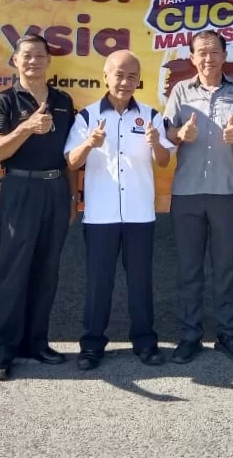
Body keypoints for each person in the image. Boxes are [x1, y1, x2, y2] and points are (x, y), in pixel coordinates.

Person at [65, 50, 175, 370]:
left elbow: (165, 160)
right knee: (99, 281)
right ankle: (91, 346)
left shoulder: (151, 115)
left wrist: (155, 142)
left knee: (141, 281)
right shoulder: (86, 117)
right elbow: (72, 161)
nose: (125, 82)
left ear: (139, 80)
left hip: (140, 214)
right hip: (101, 215)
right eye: (119, 75)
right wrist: (89, 143)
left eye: (131, 76)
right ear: (105, 76)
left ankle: (145, 342)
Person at [0, 35, 78, 382]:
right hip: (20, 188)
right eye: (27, 56)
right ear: (15, 61)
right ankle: (1, 352)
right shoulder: (4, 101)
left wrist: (72, 198)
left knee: (46, 270)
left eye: (40, 55)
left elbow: (71, 158)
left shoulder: (64, 101)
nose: (34, 61)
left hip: (55, 188)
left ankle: (36, 342)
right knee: (13, 272)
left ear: (49, 61)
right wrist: (26, 127)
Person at [163, 30, 233, 365]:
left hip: (227, 192)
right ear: (192, 57)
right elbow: (167, 132)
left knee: (225, 267)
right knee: (189, 268)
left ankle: (228, 335)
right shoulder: (180, 91)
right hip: (187, 192)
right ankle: (189, 336)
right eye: (201, 52)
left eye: (214, 51)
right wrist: (179, 134)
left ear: (224, 54)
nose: (208, 58)